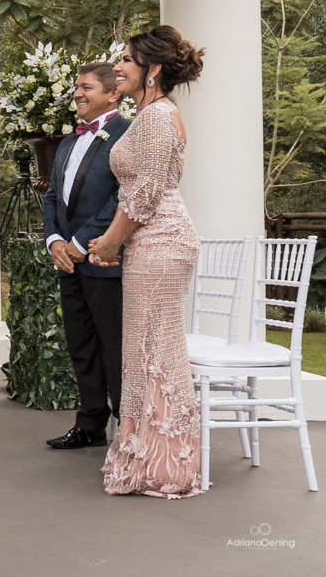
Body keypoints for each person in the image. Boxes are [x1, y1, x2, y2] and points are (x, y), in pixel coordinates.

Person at [88, 25, 205, 498]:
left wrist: (111, 241)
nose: (118, 67)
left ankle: (167, 466)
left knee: (155, 349)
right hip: (148, 240)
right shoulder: (150, 114)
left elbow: (146, 192)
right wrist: (112, 239)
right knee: (143, 349)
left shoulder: (157, 117)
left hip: (161, 241)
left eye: (127, 61)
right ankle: (145, 452)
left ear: (152, 69)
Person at [41, 63, 130, 450]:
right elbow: (50, 197)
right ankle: (90, 424)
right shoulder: (64, 142)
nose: (77, 93)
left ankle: (127, 428)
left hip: (105, 257)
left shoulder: (127, 134)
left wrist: (80, 243)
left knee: (115, 347)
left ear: (113, 94)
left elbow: (123, 197)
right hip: (69, 259)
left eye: (86, 87)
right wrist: (55, 242)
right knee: (81, 345)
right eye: (76, 87)